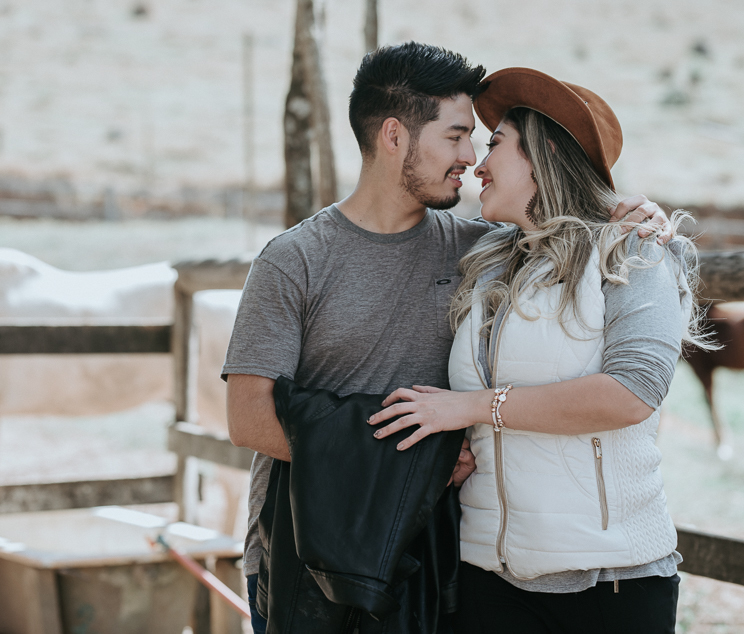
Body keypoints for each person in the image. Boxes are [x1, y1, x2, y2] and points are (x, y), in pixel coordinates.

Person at [223, 44, 670, 633]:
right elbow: (249, 420)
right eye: (456, 136)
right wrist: (425, 458)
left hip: (429, 548)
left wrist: (634, 214)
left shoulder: (481, 250)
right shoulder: (293, 260)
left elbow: (566, 220)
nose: (470, 157)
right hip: (307, 542)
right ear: (394, 136)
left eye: (480, 141)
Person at [367, 67, 707, 633]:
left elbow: (632, 392)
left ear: (544, 154)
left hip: (611, 580)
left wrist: (472, 408)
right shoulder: (484, 261)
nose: (477, 163)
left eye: (496, 144)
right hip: (485, 576)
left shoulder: (631, 254)